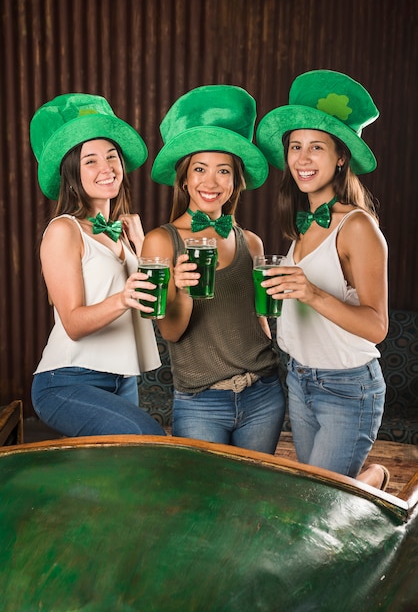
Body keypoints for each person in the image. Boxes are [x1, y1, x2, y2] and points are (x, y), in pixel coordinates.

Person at [256, 70, 390, 489]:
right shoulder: (301, 226)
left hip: (347, 387)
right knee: (313, 498)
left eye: (317, 147)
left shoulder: (357, 226)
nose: (303, 159)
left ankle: (373, 480)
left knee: (314, 503)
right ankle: (366, 481)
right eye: (296, 146)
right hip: (299, 378)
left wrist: (311, 292)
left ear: (341, 157)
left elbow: (377, 326)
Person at [141, 85, 286, 454]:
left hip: (263, 394)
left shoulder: (251, 242)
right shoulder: (161, 241)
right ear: (185, 178)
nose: (211, 182)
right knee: (204, 504)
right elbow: (171, 333)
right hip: (200, 402)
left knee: (253, 496)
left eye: (224, 171)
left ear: (236, 180)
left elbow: (259, 317)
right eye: (200, 169)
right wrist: (184, 288)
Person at [29, 93, 165, 438]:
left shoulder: (124, 234)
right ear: (72, 172)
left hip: (123, 379)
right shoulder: (64, 229)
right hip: (68, 381)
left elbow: (153, 310)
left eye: (111, 156)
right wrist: (123, 298)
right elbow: (73, 323)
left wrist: (142, 248)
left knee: (116, 481)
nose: (106, 168)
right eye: (90, 161)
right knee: (150, 440)